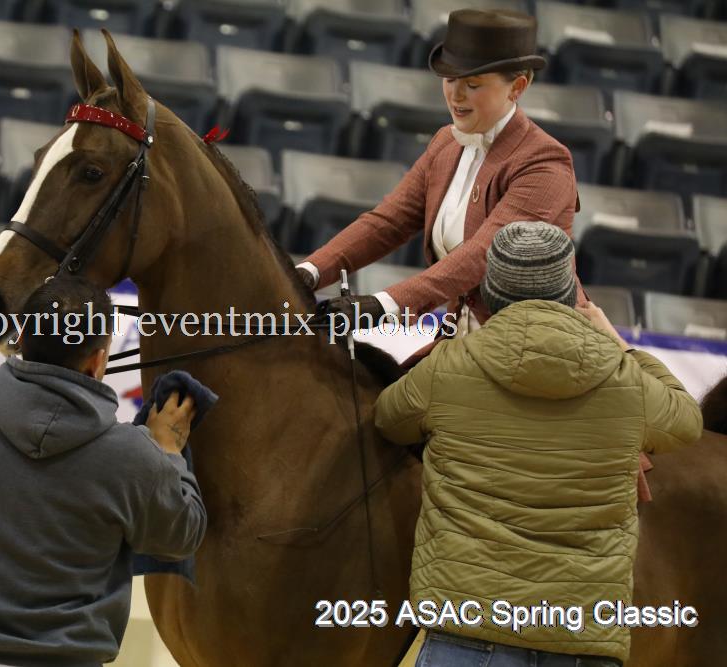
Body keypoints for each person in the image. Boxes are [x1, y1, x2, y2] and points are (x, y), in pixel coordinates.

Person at [376, 222, 703, 666]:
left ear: (489, 293)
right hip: (581, 635)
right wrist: (621, 346)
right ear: (570, 294)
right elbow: (686, 421)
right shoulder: (624, 379)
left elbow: (389, 418)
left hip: (467, 625)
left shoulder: (448, 368)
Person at [0, 276, 207, 667]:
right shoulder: (134, 454)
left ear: (22, 337)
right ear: (98, 361)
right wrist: (169, 451)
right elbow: (181, 536)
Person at [297, 8, 586, 338]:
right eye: (449, 80)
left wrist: (385, 304)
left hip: (534, 342)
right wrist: (310, 272)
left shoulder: (544, 163)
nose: (456, 95)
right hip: (463, 338)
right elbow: (388, 222)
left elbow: (484, 255)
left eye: (472, 84)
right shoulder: (445, 143)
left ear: (517, 87)